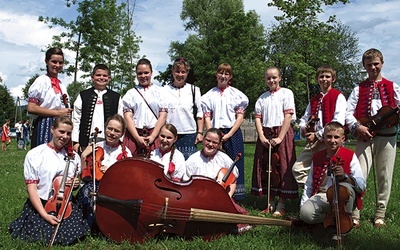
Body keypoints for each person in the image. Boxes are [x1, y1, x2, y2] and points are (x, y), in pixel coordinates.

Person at [9, 116, 89, 245]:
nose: (65, 136)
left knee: (74, 231)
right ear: (52, 130)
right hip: (42, 202)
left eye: (68, 133)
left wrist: (75, 184)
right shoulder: (36, 154)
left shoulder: (73, 157)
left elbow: (76, 181)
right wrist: (44, 215)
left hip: (65, 203)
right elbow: (32, 189)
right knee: (39, 233)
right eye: (61, 131)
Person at [345, 48, 400, 228]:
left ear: (382, 63)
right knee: (358, 174)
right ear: (364, 66)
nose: (373, 67)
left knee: (385, 175)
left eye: (376, 64)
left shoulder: (394, 87)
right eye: (369, 65)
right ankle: (354, 214)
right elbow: (348, 112)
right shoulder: (358, 89)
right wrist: (357, 127)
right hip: (365, 136)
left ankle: (380, 214)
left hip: (387, 136)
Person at [300, 122, 366, 241]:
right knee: (306, 214)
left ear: (343, 138)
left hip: (343, 198)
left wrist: (345, 177)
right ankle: (330, 220)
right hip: (322, 195)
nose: (332, 140)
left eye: (336, 137)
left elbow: (361, 185)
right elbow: (309, 184)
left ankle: (343, 226)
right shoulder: (318, 157)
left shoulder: (350, 155)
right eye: (329, 136)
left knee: (345, 187)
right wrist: (302, 206)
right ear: (323, 138)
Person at [251, 66, 298, 217]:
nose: (271, 80)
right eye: (268, 78)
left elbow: (288, 116)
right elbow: (258, 118)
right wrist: (261, 136)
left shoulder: (286, 93)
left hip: (281, 132)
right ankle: (269, 202)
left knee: (283, 166)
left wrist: (280, 137)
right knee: (267, 168)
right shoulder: (262, 97)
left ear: (280, 78)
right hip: (266, 133)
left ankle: (282, 204)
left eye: (274, 77)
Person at [185, 128, 251, 234]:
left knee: (238, 216)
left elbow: (233, 181)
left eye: (214, 142)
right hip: (198, 199)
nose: (210, 144)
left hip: (219, 199)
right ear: (203, 140)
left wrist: (227, 198)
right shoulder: (192, 160)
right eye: (208, 140)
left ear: (219, 144)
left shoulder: (224, 159)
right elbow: (186, 184)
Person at [292, 66, 347, 189]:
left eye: (327, 76)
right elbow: (305, 117)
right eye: (321, 76)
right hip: (314, 141)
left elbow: (338, 121)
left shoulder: (338, 96)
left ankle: (324, 195)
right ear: (317, 79)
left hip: (330, 141)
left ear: (333, 79)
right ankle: (313, 189)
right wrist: (303, 127)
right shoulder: (315, 99)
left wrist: (317, 134)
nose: (324, 79)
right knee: (297, 169)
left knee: (328, 172)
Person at [201, 63, 249, 200]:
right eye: (221, 73)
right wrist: (212, 134)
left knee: (234, 163)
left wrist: (229, 134)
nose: (223, 76)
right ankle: (215, 194)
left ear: (230, 76)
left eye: (227, 73)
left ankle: (235, 197)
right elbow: (207, 117)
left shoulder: (237, 95)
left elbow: (240, 117)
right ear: (216, 74)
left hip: (232, 132)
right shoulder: (209, 96)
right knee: (215, 163)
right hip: (216, 133)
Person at [77, 114, 132, 230]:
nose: (112, 133)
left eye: (116, 131)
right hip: (94, 185)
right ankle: (88, 224)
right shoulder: (96, 147)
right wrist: (83, 156)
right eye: (109, 128)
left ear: (122, 134)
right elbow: (84, 176)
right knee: (87, 189)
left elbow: (127, 179)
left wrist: (111, 172)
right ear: (105, 128)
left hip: (114, 188)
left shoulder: (126, 152)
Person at [72, 64, 123, 154]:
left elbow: (121, 120)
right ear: (92, 77)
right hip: (86, 142)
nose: (101, 78)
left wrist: (120, 140)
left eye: (104, 75)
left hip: (109, 142)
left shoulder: (116, 97)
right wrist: (75, 141)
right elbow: (76, 119)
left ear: (109, 78)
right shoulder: (83, 95)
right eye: (98, 75)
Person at [27, 47, 73, 149]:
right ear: (46, 62)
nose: (57, 65)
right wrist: (58, 113)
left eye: (60, 63)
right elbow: (31, 108)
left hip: (61, 125)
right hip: (45, 124)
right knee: (45, 156)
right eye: (54, 62)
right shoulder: (41, 81)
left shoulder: (61, 84)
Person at [122, 58, 167, 156]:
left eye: (146, 73)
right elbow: (127, 117)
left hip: (154, 134)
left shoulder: (160, 92)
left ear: (151, 73)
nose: (143, 76)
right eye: (140, 73)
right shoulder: (130, 93)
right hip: (134, 135)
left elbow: (163, 116)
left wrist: (153, 136)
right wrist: (137, 138)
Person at [164, 58, 203, 159]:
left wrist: (200, 132)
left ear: (187, 73)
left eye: (183, 72)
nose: (180, 74)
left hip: (189, 133)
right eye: (177, 71)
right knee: (170, 163)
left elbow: (199, 113)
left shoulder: (194, 90)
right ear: (172, 71)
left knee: (189, 165)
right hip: (170, 133)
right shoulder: (164, 90)